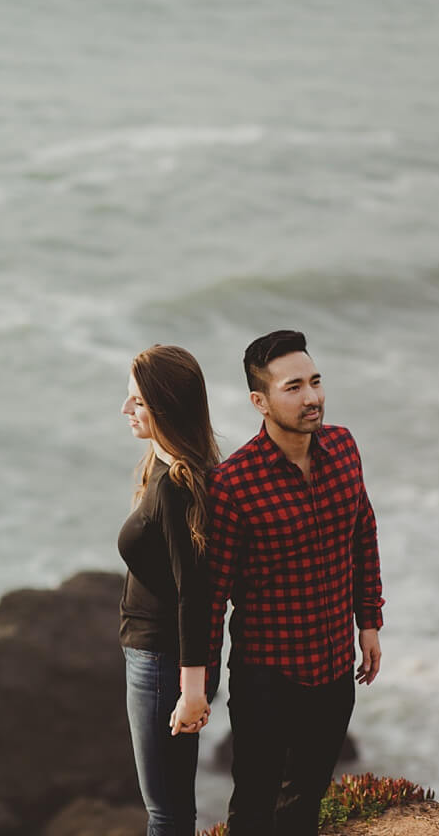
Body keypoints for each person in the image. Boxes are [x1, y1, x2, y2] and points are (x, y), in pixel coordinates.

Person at [206, 330, 385, 836]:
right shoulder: (233, 484)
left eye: (315, 381)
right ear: (259, 402)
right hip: (267, 675)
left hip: (333, 669)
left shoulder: (344, 447)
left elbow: (363, 533)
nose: (312, 398)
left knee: (307, 799)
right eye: (293, 387)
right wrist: (198, 685)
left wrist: (368, 622)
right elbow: (211, 597)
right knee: (255, 805)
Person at [117, 344, 221, 836]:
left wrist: (192, 692)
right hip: (158, 661)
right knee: (171, 807)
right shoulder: (164, 464)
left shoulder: (177, 486)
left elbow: (194, 593)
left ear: (165, 408)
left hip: (163, 667)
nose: (125, 409)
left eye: (136, 401)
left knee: (167, 812)